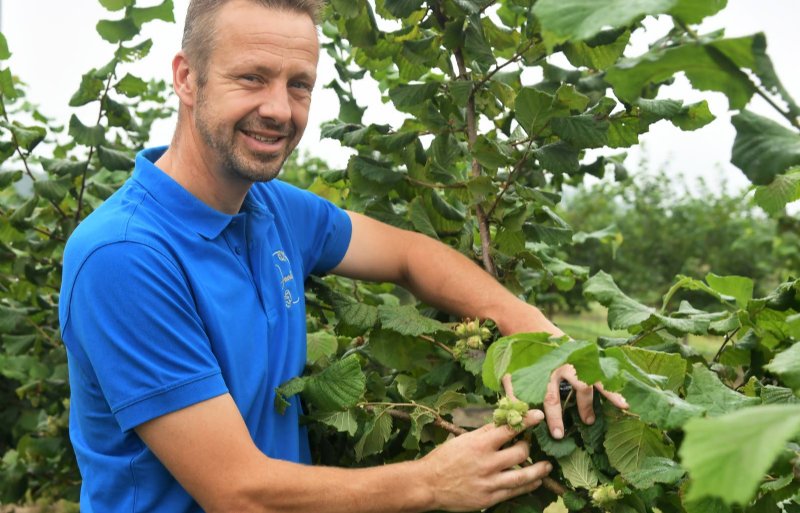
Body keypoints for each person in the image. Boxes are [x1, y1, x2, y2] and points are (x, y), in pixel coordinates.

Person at [59, 0, 627, 511]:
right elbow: (238, 492)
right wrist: (430, 482)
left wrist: (531, 328)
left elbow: (409, 255)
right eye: (252, 77)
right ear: (187, 78)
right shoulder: (125, 256)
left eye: (299, 84)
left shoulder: (272, 210)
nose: (279, 109)